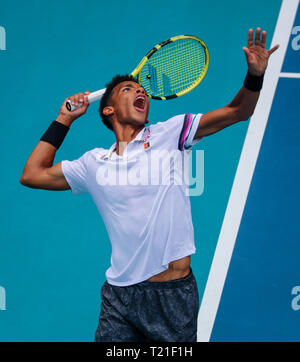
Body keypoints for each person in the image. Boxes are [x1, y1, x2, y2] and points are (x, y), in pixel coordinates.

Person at [20, 28, 279, 342]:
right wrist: (64, 119)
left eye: (142, 89)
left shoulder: (171, 133)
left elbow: (239, 111)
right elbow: (32, 174)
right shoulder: (93, 163)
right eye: (129, 89)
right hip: (119, 297)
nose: (140, 92)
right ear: (108, 109)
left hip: (172, 296)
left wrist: (254, 75)